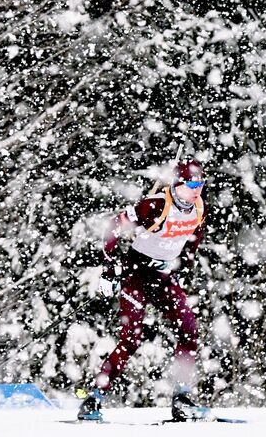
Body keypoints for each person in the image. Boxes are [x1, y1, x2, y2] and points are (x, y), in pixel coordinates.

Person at [77, 159, 208, 422]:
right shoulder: (155, 205)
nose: (198, 190)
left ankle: (182, 400)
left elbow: (195, 237)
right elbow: (113, 227)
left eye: (201, 184)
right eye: (193, 184)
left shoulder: (199, 207)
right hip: (136, 275)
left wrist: (182, 264)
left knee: (189, 331)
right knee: (131, 338)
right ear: (178, 184)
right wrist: (110, 266)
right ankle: (93, 400)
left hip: (164, 278)